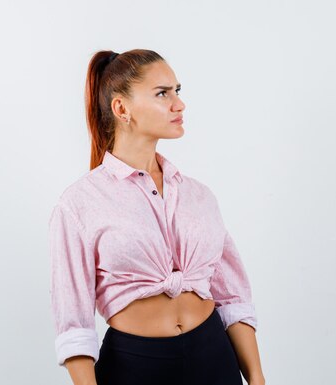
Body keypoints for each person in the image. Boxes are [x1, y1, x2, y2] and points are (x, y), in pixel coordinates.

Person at [48, 49, 265, 385]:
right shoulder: (79, 203)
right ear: (122, 108)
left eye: (177, 91)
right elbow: (74, 322)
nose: (179, 104)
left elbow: (233, 296)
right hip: (134, 367)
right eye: (163, 93)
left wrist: (257, 378)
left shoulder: (199, 195)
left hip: (215, 358)